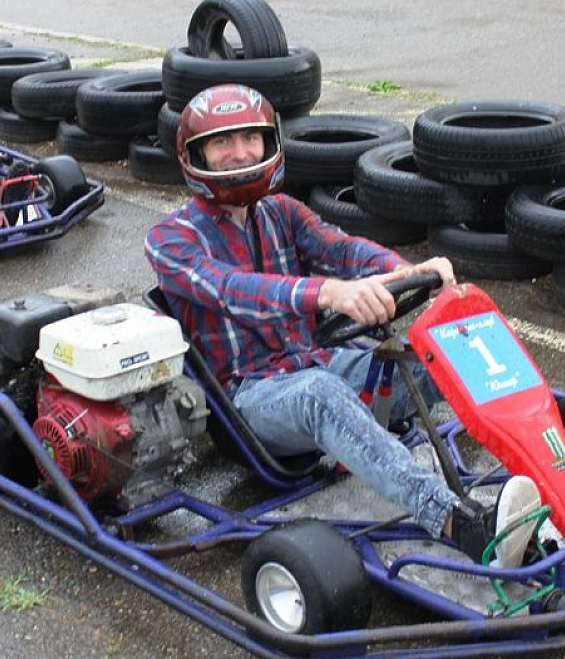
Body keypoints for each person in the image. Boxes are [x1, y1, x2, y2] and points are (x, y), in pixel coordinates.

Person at [144, 84, 542, 567]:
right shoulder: (170, 240)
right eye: (223, 142)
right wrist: (328, 293)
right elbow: (231, 289)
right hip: (249, 401)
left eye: (250, 138)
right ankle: (461, 524)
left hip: (321, 363)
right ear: (197, 154)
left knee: (451, 349)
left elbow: (343, 249)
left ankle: (553, 472)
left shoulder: (281, 211)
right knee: (320, 393)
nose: (240, 153)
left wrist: (402, 271)